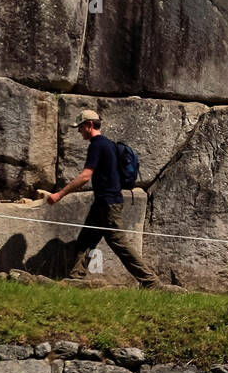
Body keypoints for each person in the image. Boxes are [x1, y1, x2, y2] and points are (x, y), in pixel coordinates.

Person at [46, 109, 165, 289]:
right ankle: (75, 279)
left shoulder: (97, 145)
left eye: (81, 127)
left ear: (90, 125)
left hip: (109, 204)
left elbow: (86, 176)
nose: (79, 131)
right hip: (102, 202)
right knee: (85, 240)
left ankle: (151, 282)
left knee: (120, 245)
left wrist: (59, 194)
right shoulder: (108, 144)